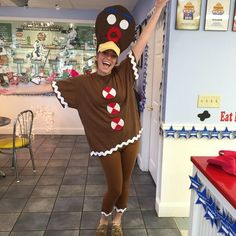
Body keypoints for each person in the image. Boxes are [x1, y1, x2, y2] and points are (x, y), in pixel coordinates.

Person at [0, 1, 169, 235]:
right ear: (97, 54)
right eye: (104, 53)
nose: (108, 58)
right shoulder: (82, 83)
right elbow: (50, 86)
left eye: (113, 54)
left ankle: (118, 221)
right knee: (115, 186)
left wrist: (158, 9)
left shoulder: (125, 72)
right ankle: (103, 220)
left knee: (126, 184)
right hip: (106, 143)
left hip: (131, 137)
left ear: (117, 58)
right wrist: (11, 90)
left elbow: (142, 41)